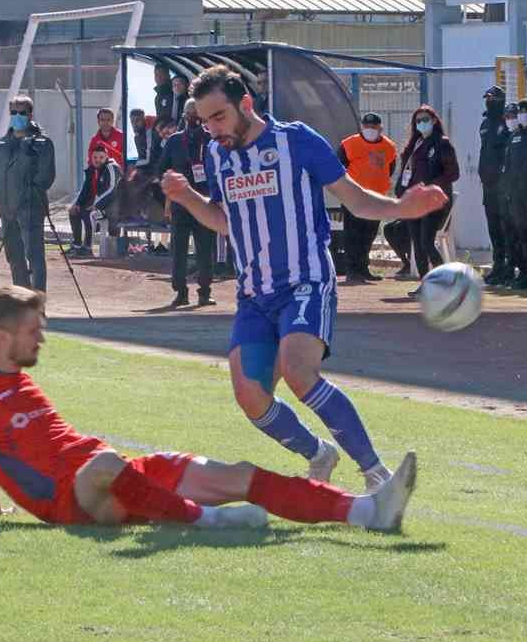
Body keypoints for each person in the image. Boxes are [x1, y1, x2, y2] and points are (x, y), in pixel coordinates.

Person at [0, 286, 418, 532]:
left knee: (239, 473)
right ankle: (208, 522)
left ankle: (367, 511)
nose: (41, 338)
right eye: (33, 331)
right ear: (2, 337)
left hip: (114, 472)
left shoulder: (18, 387)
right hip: (78, 498)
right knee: (104, 464)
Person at [159, 66, 448, 491]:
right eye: (203, 121)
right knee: (250, 397)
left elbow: (354, 199)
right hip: (253, 293)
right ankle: (318, 453)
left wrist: (401, 208)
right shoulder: (219, 155)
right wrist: (188, 197)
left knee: (297, 370)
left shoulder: (296, 140)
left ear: (246, 104)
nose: (211, 129)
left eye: (218, 117)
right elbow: (224, 221)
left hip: (305, 280)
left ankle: (377, 475)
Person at [0, 94, 56, 292]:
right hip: (7, 209)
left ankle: (38, 301)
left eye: (22, 112)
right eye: (13, 112)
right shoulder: (3, 143)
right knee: (14, 257)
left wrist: (29, 196)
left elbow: (46, 176)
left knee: (34, 256)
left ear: (30, 114)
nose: (17, 116)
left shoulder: (41, 142)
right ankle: (22, 300)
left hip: (30, 209)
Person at [395, 104, 461, 284]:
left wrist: (429, 187)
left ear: (434, 121)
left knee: (427, 242)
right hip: (413, 202)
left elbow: (453, 174)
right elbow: (406, 173)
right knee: (417, 244)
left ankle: (444, 281)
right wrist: (401, 191)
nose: (421, 123)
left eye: (425, 120)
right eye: (418, 121)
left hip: (434, 201)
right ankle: (425, 283)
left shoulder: (442, 143)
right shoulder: (414, 145)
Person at [162, 98, 217, 306]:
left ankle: (205, 291)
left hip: (205, 202)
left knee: (205, 249)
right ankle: (180, 291)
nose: (193, 118)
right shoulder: (175, 141)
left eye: (196, 114)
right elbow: (162, 169)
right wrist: (170, 193)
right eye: (189, 114)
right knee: (179, 250)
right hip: (181, 203)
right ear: (184, 116)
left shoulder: (211, 139)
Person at [336, 111, 398, 285]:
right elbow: (339, 167)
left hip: (376, 198)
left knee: (368, 234)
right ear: (362, 127)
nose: (370, 129)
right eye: (367, 126)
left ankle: (363, 269)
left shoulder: (389, 146)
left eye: (374, 126)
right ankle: (352, 271)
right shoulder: (349, 144)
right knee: (352, 234)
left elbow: (390, 168)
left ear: (380, 128)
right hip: (353, 196)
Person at [501, 98, 527, 289]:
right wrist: (508, 189)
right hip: (516, 194)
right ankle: (526, 271)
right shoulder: (515, 136)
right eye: (520, 111)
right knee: (521, 234)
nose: (522, 115)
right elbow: (508, 166)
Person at [478, 85, 513, 284]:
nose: (490, 102)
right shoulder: (484, 124)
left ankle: (508, 267)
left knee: (505, 227)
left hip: (503, 184)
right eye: (488, 98)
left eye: (494, 99)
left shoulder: (505, 122)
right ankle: (497, 264)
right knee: (493, 228)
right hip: (488, 183)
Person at [68, 146, 121, 257]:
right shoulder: (92, 170)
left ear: (106, 157)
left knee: (90, 214)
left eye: (101, 157)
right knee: (73, 211)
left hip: (111, 207)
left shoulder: (111, 167)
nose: (97, 160)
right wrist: (77, 204)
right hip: (97, 204)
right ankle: (77, 245)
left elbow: (112, 189)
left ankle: (88, 248)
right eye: (95, 157)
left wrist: (96, 205)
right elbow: (85, 189)